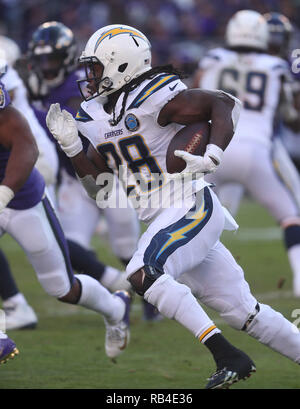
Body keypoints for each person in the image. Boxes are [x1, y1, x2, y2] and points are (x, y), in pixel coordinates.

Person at [46, 23, 300, 389]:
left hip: (190, 202)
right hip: (161, 215)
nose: (91, 76)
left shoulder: (153, 94)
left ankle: (228, 357)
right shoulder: (97, 115)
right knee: (245, 313)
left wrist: (212, 154)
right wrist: (71, 148)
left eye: (97, 67)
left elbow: (224, 103)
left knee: (142, 273)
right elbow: (99, 191)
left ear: (121, 65)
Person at [23, 21, 159, 321]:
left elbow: (72, 123)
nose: (46, 67)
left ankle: (150, 298)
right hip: (75, 179)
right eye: (42, 60)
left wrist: (28, 111)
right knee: (68, 246)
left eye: (53, 60)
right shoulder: (34, 87)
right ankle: (118, 287)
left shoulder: (79, 83)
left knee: (126, 245)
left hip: (107, 175)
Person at [0, 78, 131, 360]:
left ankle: (114, 307)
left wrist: (4, 193)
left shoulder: (7, 111)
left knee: (62, 287)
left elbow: (25, 147)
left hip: (21, 199)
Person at [193, 9, 300, 297]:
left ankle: (174, 276)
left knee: (196, 219)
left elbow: (192, 96)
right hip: (257, 152)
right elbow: (292, 114)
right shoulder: (277, 67)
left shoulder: (213, 58)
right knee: (290, 215)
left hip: (215, 148)